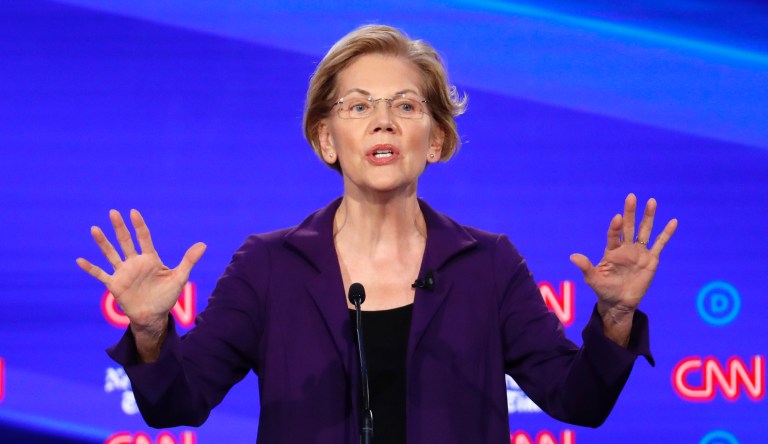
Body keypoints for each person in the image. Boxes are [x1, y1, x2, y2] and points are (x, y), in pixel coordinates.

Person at [77, 25, 677, 444]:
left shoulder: (488, 264)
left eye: (406, 106)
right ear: (326, 139)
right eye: (359, 106)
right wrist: (153, 332)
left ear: (435, 140)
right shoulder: (268, 267)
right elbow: (176, 404)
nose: (383, 120)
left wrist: (616, 318)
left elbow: (579, 401)